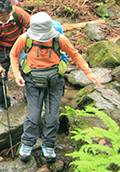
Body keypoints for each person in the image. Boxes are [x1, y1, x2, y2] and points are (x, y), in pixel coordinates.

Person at [10, 12, 101, 163]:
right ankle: (27, 143)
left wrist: (89, 73)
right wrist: (16, 74)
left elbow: (75, 55)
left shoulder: (59, 39)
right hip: (32, 81)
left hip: (55, 81)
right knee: (34, 116)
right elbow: (14, 54)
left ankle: (49, 144)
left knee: (52, 117)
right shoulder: (25, 38)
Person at [0, 0, 30, 120]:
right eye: (2, 16)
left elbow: (33, 28)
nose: (5, 18)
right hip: (1, 49)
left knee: (26, 70)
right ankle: (4, 105)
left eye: (7, 15)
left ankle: (28, 99)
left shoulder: (19, 13)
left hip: (19, 47)